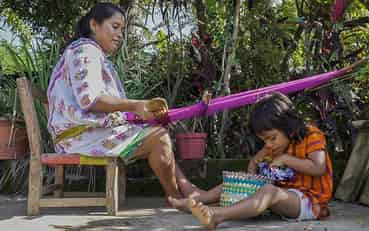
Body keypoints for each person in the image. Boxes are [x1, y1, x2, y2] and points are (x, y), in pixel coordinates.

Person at [47, 2, 193, 200]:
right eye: (115, 27)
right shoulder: (86, 51)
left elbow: (101, 104)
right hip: (79, 137)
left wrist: (143, 115)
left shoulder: (90, 54)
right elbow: (91, 100)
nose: (120, 35)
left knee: (157, 132)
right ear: (94, 25)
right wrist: (135, 105)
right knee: (159, 138)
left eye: (122, 30)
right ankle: (178, 198)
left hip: (84, 133)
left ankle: (188, 191)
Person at [168, 92, 333, 229]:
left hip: (310, 202)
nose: (268, 144)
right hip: (283, 199)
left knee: (269, 191)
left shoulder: (311, 135)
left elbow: (318, 167)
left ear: (287, 125)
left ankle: (217, 215)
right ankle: (197, 201)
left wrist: (285, 159)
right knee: (238, 182)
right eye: (264, 140)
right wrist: (251, 180)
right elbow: (253, 162)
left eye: (272, 138)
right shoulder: (274, 145)